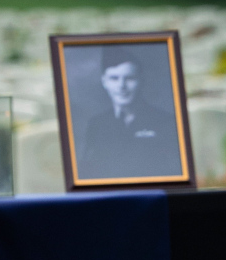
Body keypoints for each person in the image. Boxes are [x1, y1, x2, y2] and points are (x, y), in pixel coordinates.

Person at [76, 48, 182, 180]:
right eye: (114, 78)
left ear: (141, 80)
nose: (121, 86)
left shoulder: (166, 122)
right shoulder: (97, 124)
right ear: (104, 82)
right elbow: (88, 171)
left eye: (130, 78)